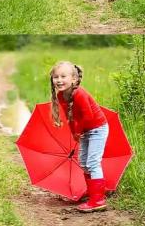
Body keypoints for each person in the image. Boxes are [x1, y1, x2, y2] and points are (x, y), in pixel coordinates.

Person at [50, 61, 109, 212]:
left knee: (93, 162)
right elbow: (70, 118)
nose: (59, 80)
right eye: (56, 77)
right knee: (83, 162)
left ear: (74, 79)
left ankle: (98, 200)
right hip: (84, 130)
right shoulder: (61, 96)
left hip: (97, 128)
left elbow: (88, 117)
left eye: (63, 76)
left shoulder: (79, 93)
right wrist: (74, 133)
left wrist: (78, 131)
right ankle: (93, 192)